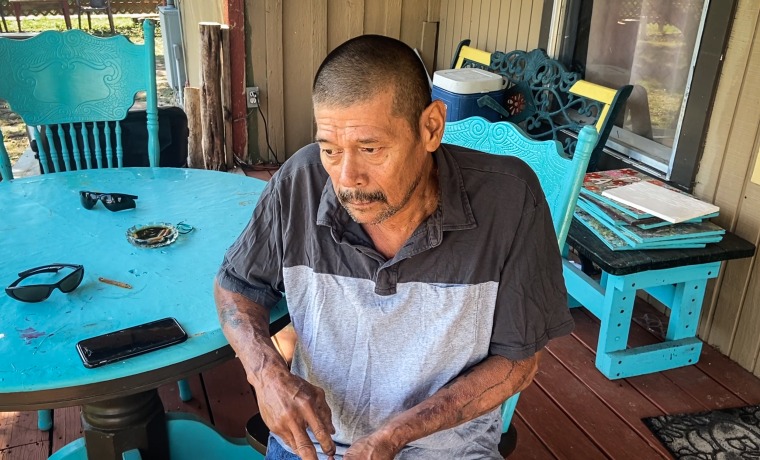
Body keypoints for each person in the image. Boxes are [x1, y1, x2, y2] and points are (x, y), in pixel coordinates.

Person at [214, 34, 573, 460]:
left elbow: (518, 363)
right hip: (315, 444)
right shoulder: (300, 183)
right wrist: (265, 374)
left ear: (431, 128)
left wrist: (394, 435)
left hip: (447, 448)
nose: (347, 178)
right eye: (331, 149)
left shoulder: (510, 201)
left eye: (370, 149)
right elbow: (236, 284)